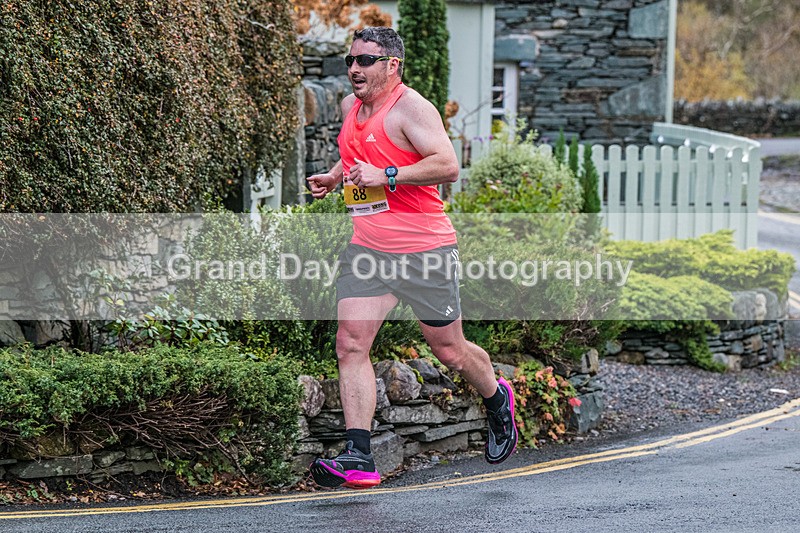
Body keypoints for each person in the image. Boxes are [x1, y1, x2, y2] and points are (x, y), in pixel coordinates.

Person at [306, 27, 517, 490]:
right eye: (350, 60)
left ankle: (497, 397)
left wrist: (386, 174)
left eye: (365, 60)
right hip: (369, 248)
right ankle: (359, 456)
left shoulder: (412, 108)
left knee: (448, 350)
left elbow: (447, 165)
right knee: (351, 344)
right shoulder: (350, 109)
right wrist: (336, 174)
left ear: (392, 65)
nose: (355, 69)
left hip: (425, 250)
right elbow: (357, 154)